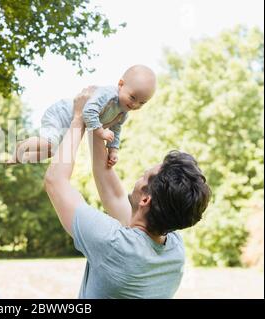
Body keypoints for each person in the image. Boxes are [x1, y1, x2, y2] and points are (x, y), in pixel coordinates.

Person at [44, 87, 211, 299]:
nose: (138, 178)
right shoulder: (174, 251)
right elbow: (113, 195)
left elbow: (56, 181)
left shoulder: (114, 244)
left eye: (144, 176)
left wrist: (78, 119)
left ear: (145, 199)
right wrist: (97, 125)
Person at [8, 64, 156, 167]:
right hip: (61, 114)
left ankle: (21, 158)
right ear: (121, 84)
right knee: (49, 144)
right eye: (132, 97)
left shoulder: (123, 112)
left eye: (142, 103)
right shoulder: (108, 95)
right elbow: (89, 110)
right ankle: (21, 146)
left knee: (53, 152)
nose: (135, 105)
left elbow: (115, 131)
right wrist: (100, 131)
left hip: (71, 125)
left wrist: (113, 150)